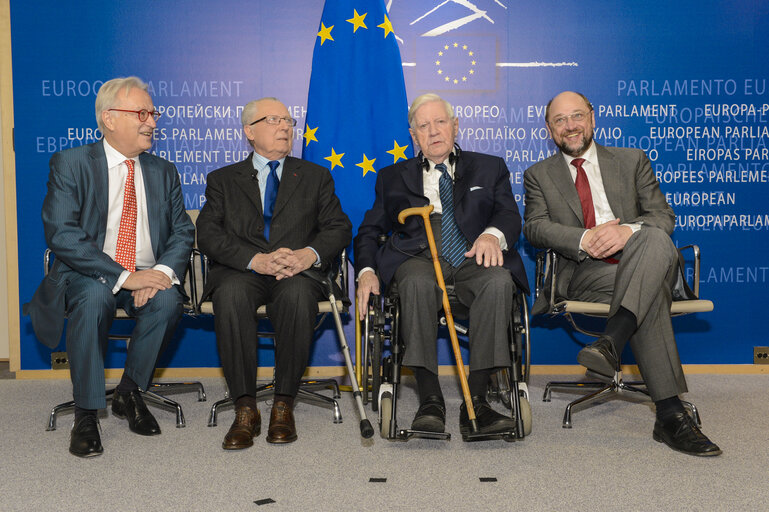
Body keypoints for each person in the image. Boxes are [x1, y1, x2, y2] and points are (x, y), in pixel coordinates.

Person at [523, 90, 721, 456]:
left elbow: (663, 216)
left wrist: (624, 231)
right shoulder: (538, 175)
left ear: (593, 118)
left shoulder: (632, 161)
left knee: (654, 237)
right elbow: (534, 228)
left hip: (642, 257)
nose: (570, 126)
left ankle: (613, 343)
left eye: (577, 116)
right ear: (549, 129)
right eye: (560, 120)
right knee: (650, 288)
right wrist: (586, 238)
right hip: (587, 272)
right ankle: (670, 414)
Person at [25, 76, 195, 458]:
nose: (152, 121)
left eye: (153, 112)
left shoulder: (163, 170)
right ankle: (86, 412)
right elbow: (63, 234)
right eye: (142, 112)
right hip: (89, 274)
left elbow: (183, 230)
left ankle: (129, 393)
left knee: (168, 302)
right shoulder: (70, 163)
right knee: (95, 296)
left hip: (148, 273)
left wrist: (163, 274)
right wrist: (124, 276)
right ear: (109, 118)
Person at [355, 93, 529, 437]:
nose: (433, 131)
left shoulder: (489, 166)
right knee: (416, 283)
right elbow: (369, 231)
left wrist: (492, 236)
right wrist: (367, 271)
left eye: (440, 122)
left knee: (499, 281)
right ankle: (430, 400)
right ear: (414, 136)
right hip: (415, 255)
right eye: (423, 126)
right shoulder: (391, 176)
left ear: (455, 126)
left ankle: (476, 401)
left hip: (473, 253)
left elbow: (508, 214)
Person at [196, 98, 351, 449]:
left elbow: (338, 228)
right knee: (232, 296)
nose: (285, 127)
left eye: (288, 120)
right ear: (250, 131)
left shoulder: (315, 176)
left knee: (296, 297)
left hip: (296, 273)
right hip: (243, 270)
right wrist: (255, 259)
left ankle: (284, 403)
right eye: (274, 120)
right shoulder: (223, 180)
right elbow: (208, 234)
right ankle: (245, 408)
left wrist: (307, 255)